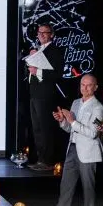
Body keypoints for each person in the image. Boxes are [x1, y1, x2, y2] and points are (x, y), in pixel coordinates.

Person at [52, 74, 103, 206]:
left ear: (95, 87)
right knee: (66, 184)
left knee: (88, 187)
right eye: (82, 85)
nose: (85, 88)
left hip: (87, 152)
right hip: (72, 148)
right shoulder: (76, 103)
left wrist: (72, 121)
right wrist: (63, 120)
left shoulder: (98, 108)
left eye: (89, 85)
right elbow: (70, 129)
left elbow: (93, 133)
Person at [26, 24, 65, 171]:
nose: (41, 35)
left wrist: (37, 71)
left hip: (46, 95)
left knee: (45, 128)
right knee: (37, 129)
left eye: (45, 32)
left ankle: (48, 161)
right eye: (39, 32)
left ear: (51, 34)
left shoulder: (55, 51)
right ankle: (41, 159)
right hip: (34, 94)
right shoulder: (38, 50)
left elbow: (57, 74)